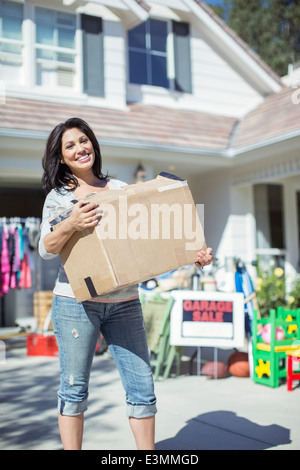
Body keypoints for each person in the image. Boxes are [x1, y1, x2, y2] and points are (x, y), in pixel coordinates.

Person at [39, 117, 214, 450]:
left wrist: (193, 253)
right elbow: (45, 247)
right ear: (61, 157)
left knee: (142, 388)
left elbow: (150, 240)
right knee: (74, 389)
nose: (80, 148)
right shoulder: (59, 198)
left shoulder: (119, 190)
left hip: (124, 303)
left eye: (84, 140)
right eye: (70, 145)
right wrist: (72, 222)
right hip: (76, 304)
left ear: (93, 144)